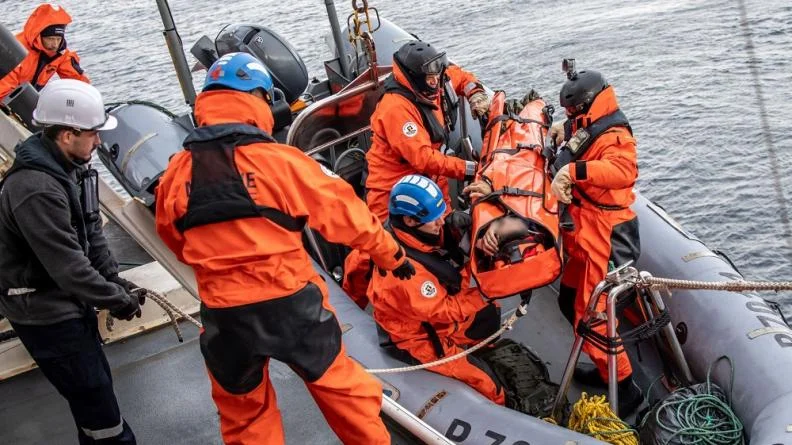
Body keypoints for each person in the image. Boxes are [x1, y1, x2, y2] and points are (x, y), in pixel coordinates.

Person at [154, 52, 416, 445]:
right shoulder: (281, 162)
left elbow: (173, 238)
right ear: (259, 98)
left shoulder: (177, 172)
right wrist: (392, 257)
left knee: (245, 416)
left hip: (225, 316)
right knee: (347, 397)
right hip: (291, 304)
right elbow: (349, 217)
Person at [0, 79, 143, 443]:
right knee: (100, 411)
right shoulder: (34, 189)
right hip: (45, 314)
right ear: (66, 134)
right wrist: (116, 300)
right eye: (92, 134)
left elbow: (92, 231)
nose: (98, 142)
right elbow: (67, 267)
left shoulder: (73, 170)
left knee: (94, 405)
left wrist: (115, 281)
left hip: (67, 305)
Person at [548, 62, 643, 415]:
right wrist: (565, 131)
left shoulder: (616, 137)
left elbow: (622, 171)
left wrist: (573, 171)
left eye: (572, 110)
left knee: (595, 317)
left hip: (606, 233)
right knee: (569, 299)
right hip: (587, 231)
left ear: (587, 103)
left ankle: (624, 388)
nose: (570, 115)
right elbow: (581, 136)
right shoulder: (589, 124)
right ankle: (607, 371)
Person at [368, 174, 505, 404]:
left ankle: (484, 351)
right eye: (435, 218)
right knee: (489, 385)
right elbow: (444, 310)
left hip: (434, 313)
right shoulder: (404, 273)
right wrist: (485, 292)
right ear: (410, 221)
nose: (442, 221)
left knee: (490, 315)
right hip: (418, 336)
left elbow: (439, 238)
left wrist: (471, 231)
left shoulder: (414, 232)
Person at [364, 40, 486, 222]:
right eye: (430, 78)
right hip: (396, 194)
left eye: (437, 76)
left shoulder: (433, 82)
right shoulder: (395, 108)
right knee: (403, 245)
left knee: (446, 228)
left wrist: (475, 93)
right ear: (416, 78)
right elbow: (424, 159)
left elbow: (461, 77)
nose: (435, 82)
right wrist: (470, 169)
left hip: (432, 184)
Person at [0, 4, 89, 102]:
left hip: (23, 100)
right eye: (50, 39)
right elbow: (3, 90)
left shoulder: (60, 53)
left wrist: (87, 100)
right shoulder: (16, 51)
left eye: (58, 39)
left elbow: (79, 82)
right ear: (39, 36)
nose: (55, 44)